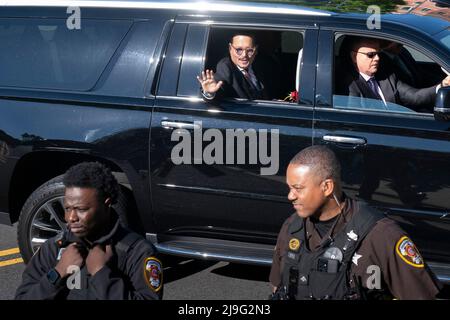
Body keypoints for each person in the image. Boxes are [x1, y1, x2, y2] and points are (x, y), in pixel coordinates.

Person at [269, 145, 442, 300]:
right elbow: (278, 287)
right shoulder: (292, 228)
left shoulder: (381, 235)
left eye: (298, 188)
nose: (290, 196)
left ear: (327, 187)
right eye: (290, 188)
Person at [15, 162, 163, 300]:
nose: (71, 217)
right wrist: (57, 273)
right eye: (67, 208)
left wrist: (101, 274)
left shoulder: (137, 252)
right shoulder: (53, 248)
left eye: (81, 209)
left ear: (107, 204)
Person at [340, 36, 450, 111]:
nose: (377, 58)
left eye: (378, 53)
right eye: (371, 54)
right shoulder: (349, 85)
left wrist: (442, 86)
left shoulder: (386, 76)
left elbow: (414, 96)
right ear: (354, 57)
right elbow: (354, 122)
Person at [197, 32, 274, 101]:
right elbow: (219, 84)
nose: (244, 55)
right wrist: (210, 93)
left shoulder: (260, 64)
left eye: (250, 50)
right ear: (230, 48)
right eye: (239, 50)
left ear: (256, 50)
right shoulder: (225, 67)